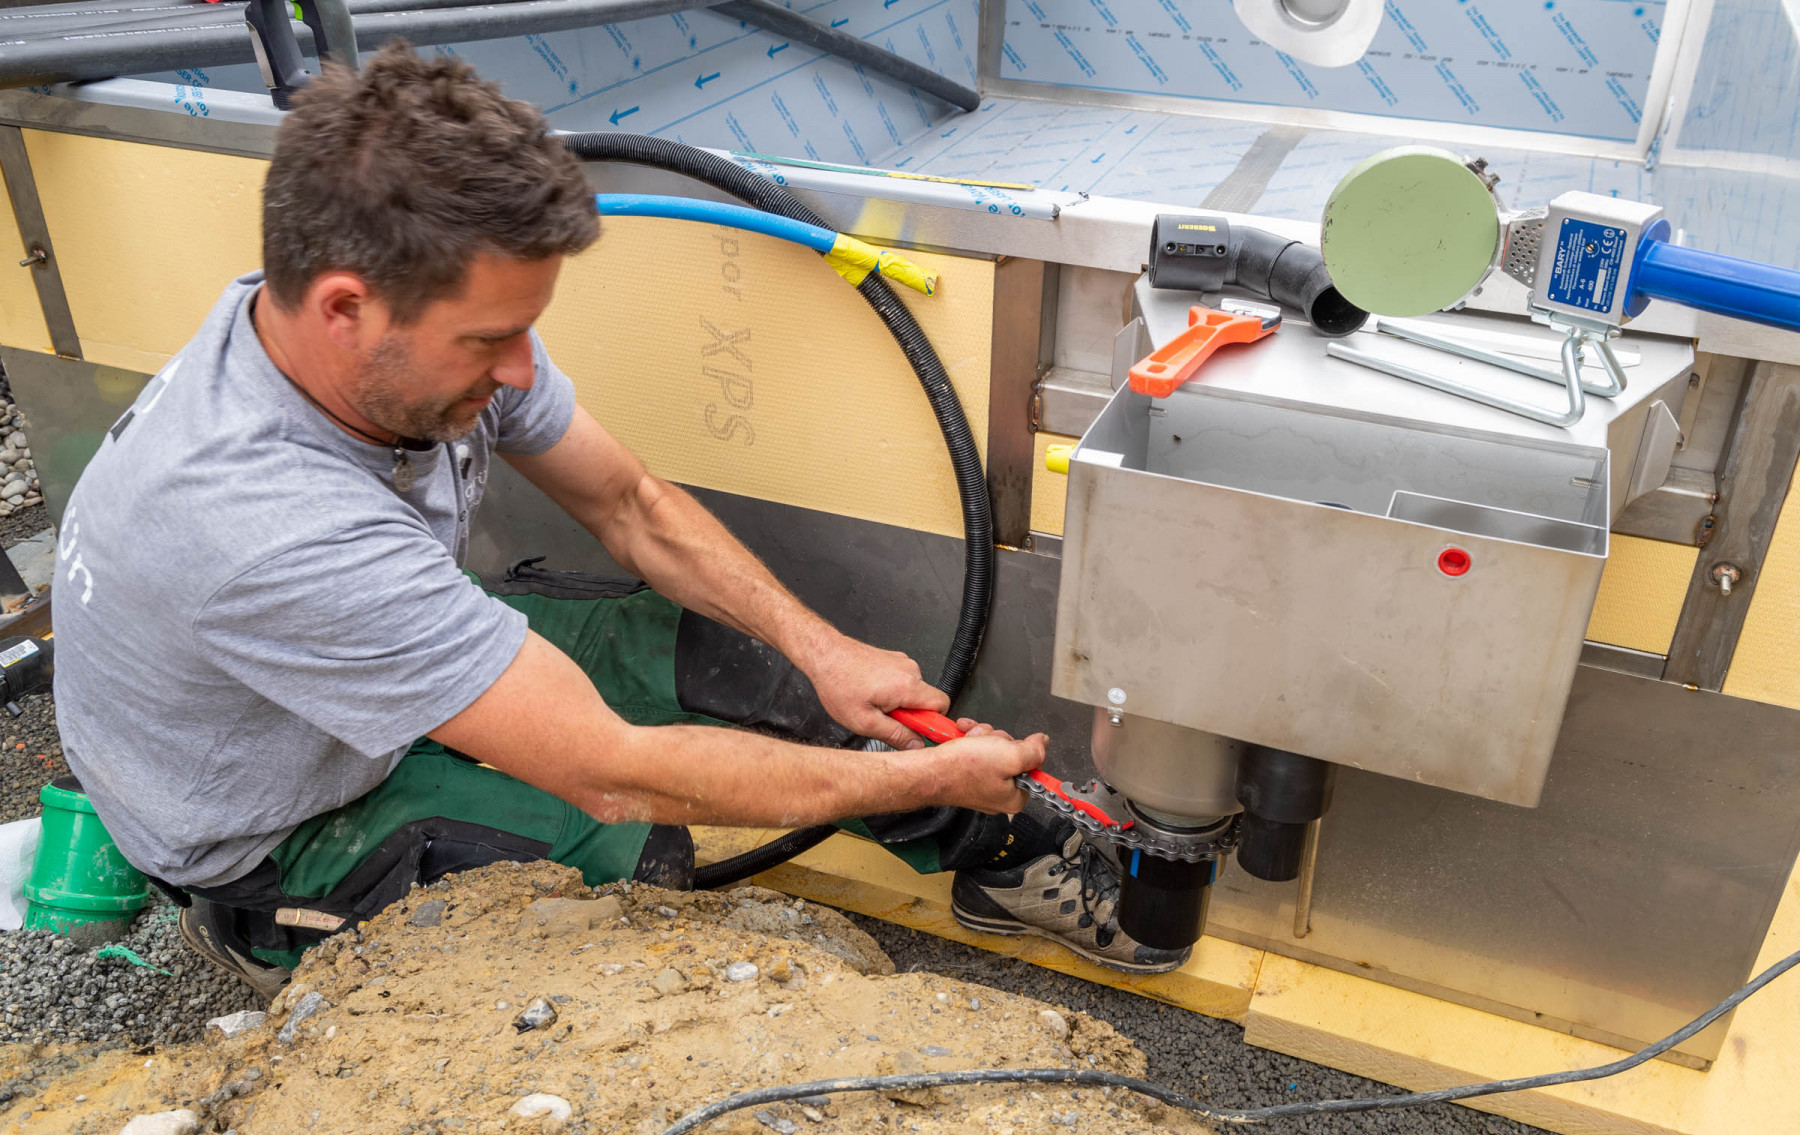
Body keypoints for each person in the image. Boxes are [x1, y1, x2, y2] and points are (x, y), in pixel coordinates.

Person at [50, 45, 1185, 1001]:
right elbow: (616, 774)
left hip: (362, 676)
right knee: (640, 869)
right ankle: (277, 944)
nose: (520, 370)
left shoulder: (354, 323)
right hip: (285, 826)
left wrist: (823, 650)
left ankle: (1002, 854)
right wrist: (912, 779)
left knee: (751, 671)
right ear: (345, 306)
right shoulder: (265, 523)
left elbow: (630, 505)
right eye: (487, 341)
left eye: (525, 329)